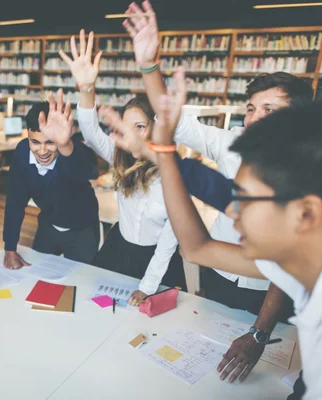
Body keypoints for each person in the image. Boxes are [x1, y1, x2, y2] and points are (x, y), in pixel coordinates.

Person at [108, 65, 322, 400]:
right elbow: (197, 249)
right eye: (251, 108)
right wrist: (160, 152)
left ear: (305, 211)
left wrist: (260, 335)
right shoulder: (301, 256)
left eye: (246, 202)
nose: (234, 216)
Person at [122, 0, 310, 382]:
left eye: (270, 111)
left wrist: (259, 332)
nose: (255, 118)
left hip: (270, 296)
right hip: (221, 274)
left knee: (265, 378)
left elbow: (288, 266)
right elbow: (170, 118)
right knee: (207, 362)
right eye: (252, 108)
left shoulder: (310, 180)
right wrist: (149, 65)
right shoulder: (230, 144)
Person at [58, 29, 187, 302]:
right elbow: (91, 132)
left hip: (158, 262)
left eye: (140, 127)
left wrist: (148, 286)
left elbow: (168, 242)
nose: (132, 136)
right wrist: (86, 88)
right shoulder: (120, 157)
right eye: (127, 127)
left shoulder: (173, 175)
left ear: (156, 128)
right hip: (118, 249)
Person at [3, 90, 100, 269]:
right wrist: (10, 247)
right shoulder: (22, 152)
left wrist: (64, 145)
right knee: (37, 273)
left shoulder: (70, 149)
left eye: (50, 142)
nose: (42, 151)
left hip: (81, 227)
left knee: (82, 278)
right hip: (48, 223)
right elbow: (15, 201)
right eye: (35, 142)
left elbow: (90, 171)